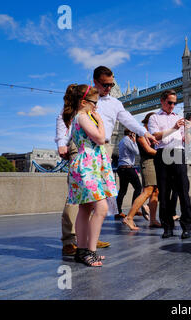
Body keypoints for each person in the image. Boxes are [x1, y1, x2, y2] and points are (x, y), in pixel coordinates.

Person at [55, 66, 158, 255]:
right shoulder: (84, 96)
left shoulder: (115, 103)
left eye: (112, 84)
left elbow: (128, 119)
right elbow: (64, 117)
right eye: (105, 84)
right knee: (77, 196)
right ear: (95, 81)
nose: (109, 88)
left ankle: (87, 239)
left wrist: (145, 133)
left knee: (97, 197)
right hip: (81, 147)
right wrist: (62, 142)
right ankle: (70, 240)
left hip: (103, 150)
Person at [62, 84, 118, 267]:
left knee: (86, 209)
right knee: (101, 208)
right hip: (87, 166)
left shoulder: (82, 116)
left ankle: (82, 250)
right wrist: (100, 121)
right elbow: (101, 138)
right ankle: (90, 251)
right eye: (94, 102)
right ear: (84, 102)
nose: (97, 106)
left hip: (90, 165)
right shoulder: (83, 116)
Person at [148, 89, 191, 239]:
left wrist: (188, 130)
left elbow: (187, 141)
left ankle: (187, 227)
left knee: (183, 192)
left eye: (175, 103)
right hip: (162, 153)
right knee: (164, 193)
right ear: (162, 101)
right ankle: (167, 227)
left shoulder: (180, 117)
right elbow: (155, 136)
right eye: (170, 102)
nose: (173, 105)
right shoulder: (154, 118)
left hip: (178, 153)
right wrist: (174, 127)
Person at [121, 112, 161, 230]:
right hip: (148, 163)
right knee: (147, 191)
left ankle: (153, 220)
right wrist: (164, 153)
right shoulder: (141, 132)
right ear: (149, 121)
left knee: (155, 192)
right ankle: (129, 217)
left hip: (155, 163)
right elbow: (148, 150)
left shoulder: (152, 133)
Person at [115, 129, 147, 221]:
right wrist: (134, 142)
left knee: (123, 190)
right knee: (138, 187)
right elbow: (137, 152)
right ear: (131, 134)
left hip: (122, 168)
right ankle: (134, 209)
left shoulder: (122, 140)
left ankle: (119, 211)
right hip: (128, 168)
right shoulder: (127, 141)